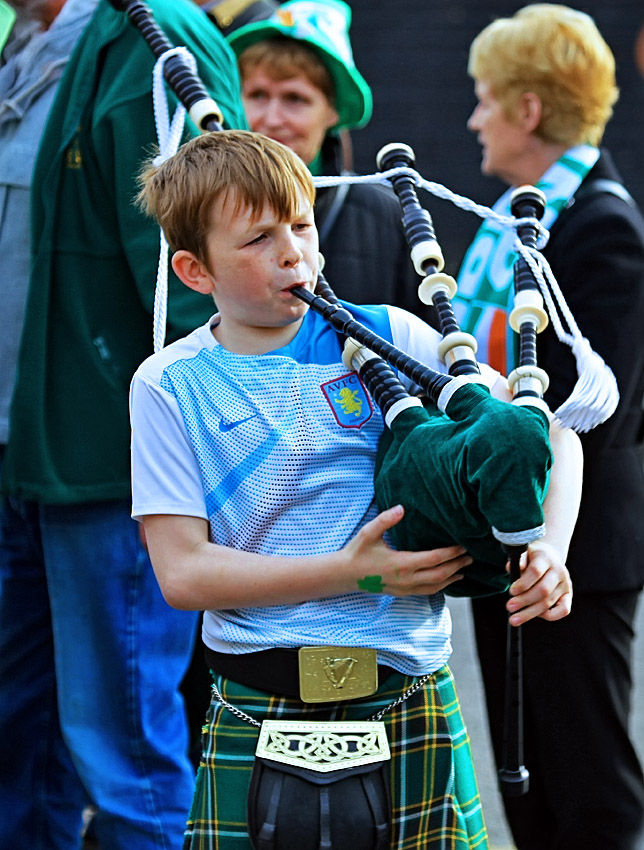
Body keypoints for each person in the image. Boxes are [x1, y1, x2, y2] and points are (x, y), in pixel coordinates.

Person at [131, 128, 582, 849]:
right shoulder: (168, 385)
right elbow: (182, 573)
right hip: (258, 697)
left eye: (303, 225)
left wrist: (549, 551)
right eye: (257, 239)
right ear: (194, 270)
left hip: (408, 692)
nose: (294, 254)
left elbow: (548, 433)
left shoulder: (393, 335)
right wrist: (350, 574)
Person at [0, 1, 247, 848]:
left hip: (114, 470)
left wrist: (186, 469)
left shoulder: (152, 41)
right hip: (25, 455)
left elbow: (213, 270)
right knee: (19, 744)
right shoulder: (29, 43)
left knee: (128, 761)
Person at [453, 6, 644, 849]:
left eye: (483, 100)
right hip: (508, 539)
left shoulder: (602, 232)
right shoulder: (521, 218)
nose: (473, 118)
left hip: (575, 551)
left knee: (588, 785)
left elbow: (588, 418)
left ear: (528, 111)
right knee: (528, 782)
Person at [226, 0, 432, 322]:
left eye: (295, 98)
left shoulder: (387, 215)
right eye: (257, 95)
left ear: (334, 111)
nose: (272, 118)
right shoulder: (206, 208)